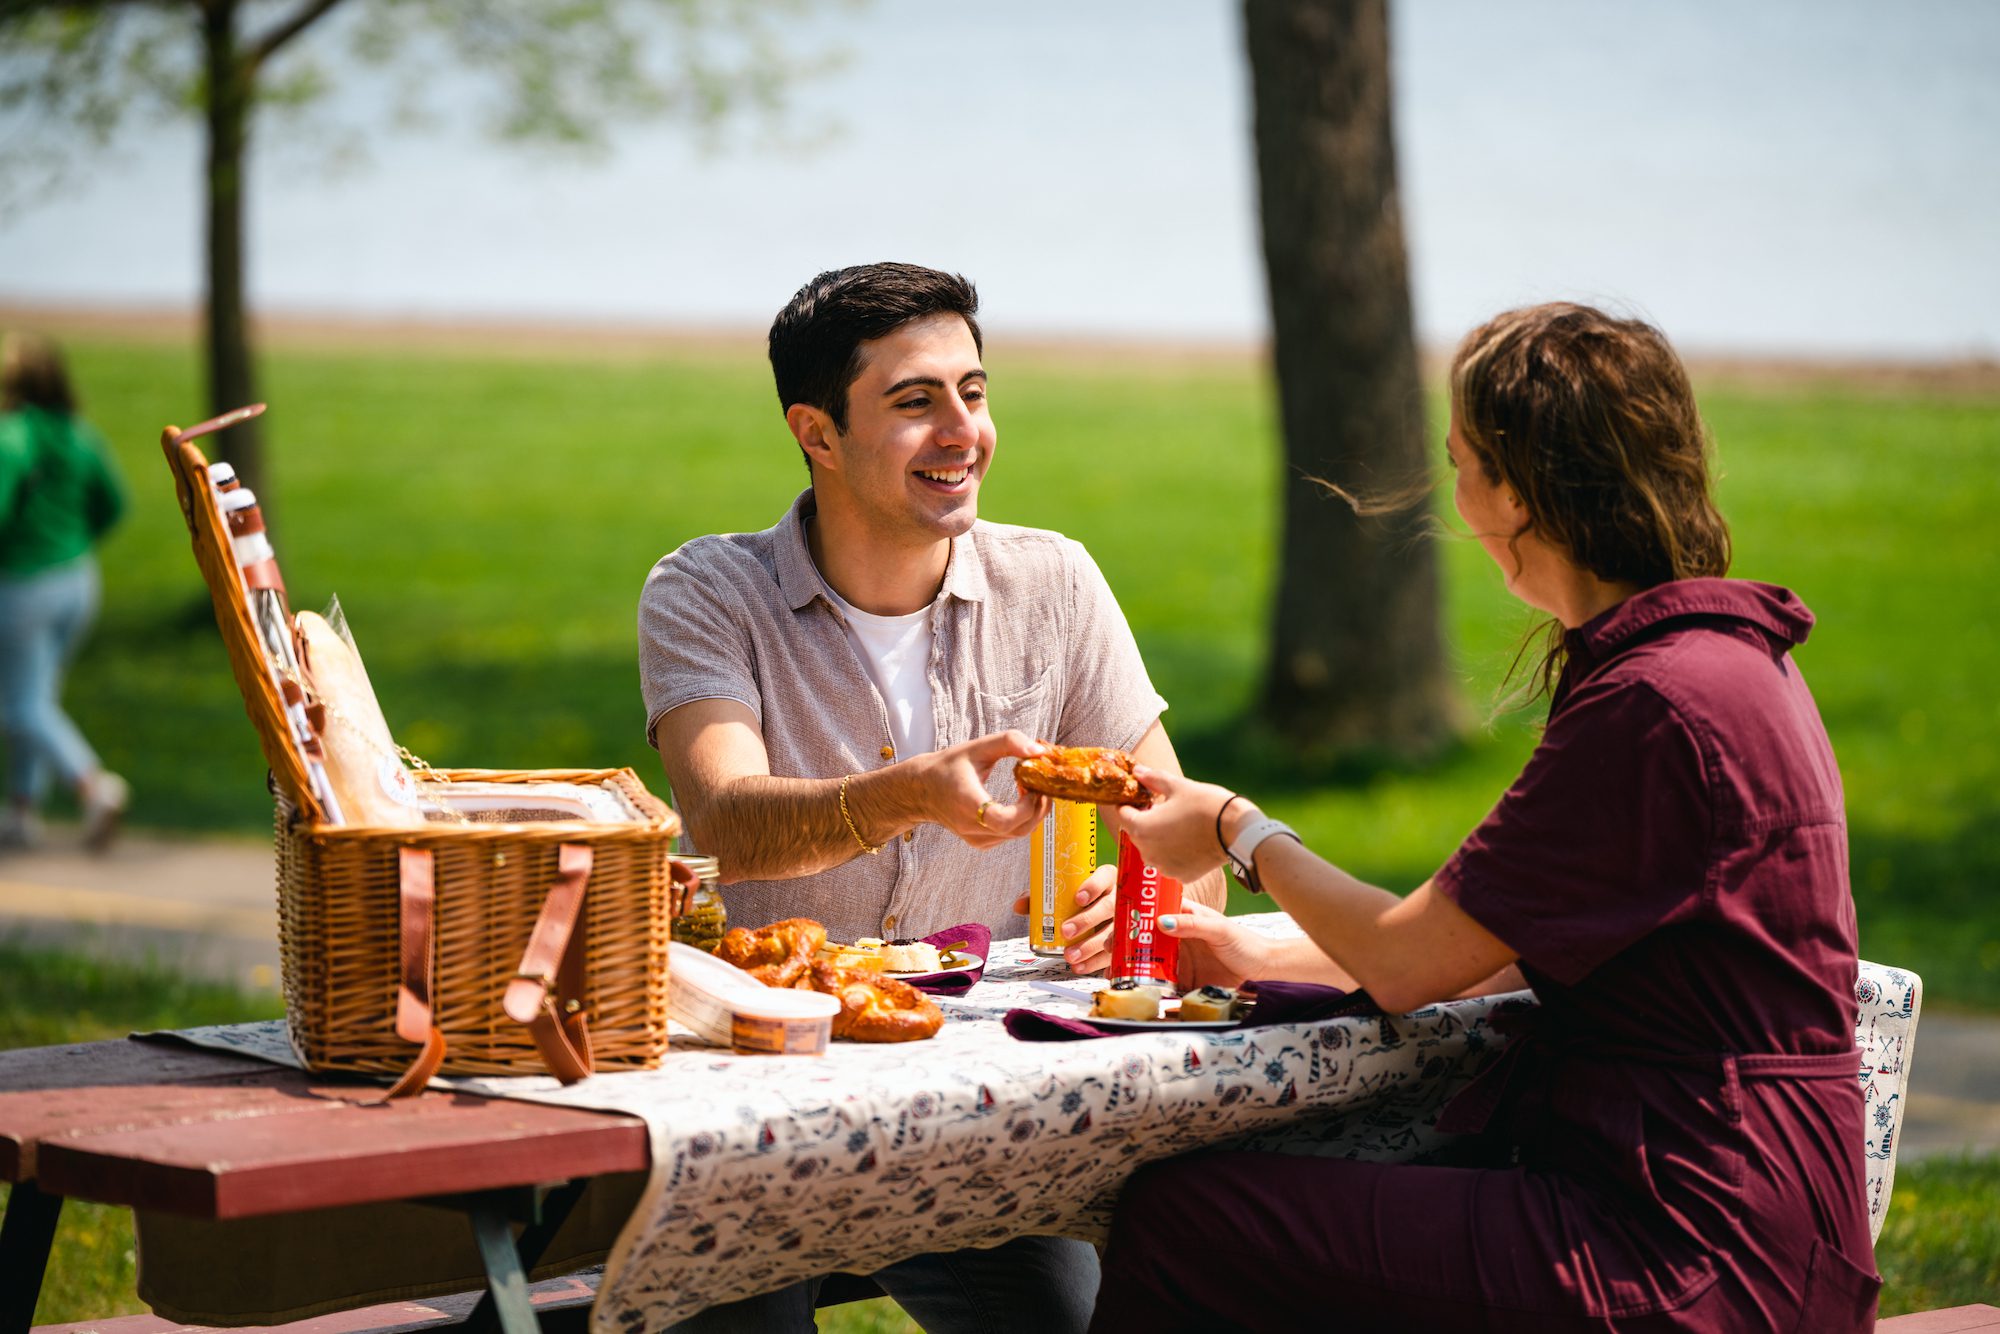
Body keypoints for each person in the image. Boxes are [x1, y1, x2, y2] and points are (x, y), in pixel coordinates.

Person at [1090, 303, 1880, 1332]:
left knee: (1188, 1220)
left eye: (1460, 461)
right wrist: (1262, 950)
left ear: (1519, 488)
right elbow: (1502, 943)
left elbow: (1406, 963)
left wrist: (1236, 828)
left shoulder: (1654, 703)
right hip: (1767, 1217)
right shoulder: (1724, 661)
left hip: (1689, 1245)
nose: (1452, 492)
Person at [637, 262, 1226, 1332]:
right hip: (759, 1105)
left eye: (974, 391)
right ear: (816, 434)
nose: (964, 432)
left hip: (978, 1112)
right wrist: (906, 793)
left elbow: (1184, 841)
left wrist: (1153, 900)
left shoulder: (1053, 585)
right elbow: (724, 821)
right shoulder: (707, 592)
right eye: (915, 401)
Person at [0, 332, 128, 851]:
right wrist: (74, 538)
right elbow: (114, 501)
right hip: (79, 581)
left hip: (25, 585)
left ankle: (93, 786)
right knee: (38, 696)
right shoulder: (79, 434)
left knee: (21, 704)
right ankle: (23, 810)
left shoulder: (12, 435)